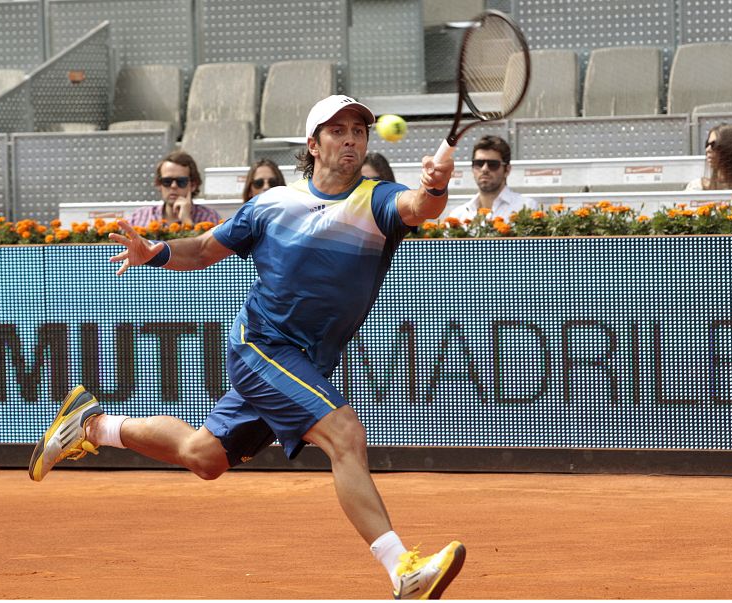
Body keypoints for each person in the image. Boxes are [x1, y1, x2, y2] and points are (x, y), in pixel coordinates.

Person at [28, 95, 465, 599]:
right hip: (261, 345)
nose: (350, 138)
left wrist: (435, 183)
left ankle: (93, 425)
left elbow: (420, 207)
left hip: (305, 360)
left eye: (358, 131)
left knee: (204, 456)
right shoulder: (272, 204)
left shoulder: (378, 199)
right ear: (313, 144)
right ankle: (402, 568)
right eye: (337, 129)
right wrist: (157, 252)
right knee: (344, 434)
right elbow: (207, 249)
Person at [446, 135, 536, 222]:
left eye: (493, 164)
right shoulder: (458, 216)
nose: (484, 169)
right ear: (472, 168)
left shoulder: (527, 208)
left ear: (507, 170)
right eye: (479, 163)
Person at [127, 150, 221, 227]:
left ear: (193, 185)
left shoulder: (209, 218)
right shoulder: (139, 217)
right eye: (167, 181)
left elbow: (209, 249)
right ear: (159, 185)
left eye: (181, 181)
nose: (173, 186)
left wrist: (187, 221)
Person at [685, 123, 732, 191]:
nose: (707, 150)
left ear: (731, 149)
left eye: (714, 145)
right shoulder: (697, 188)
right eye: (707, 144)